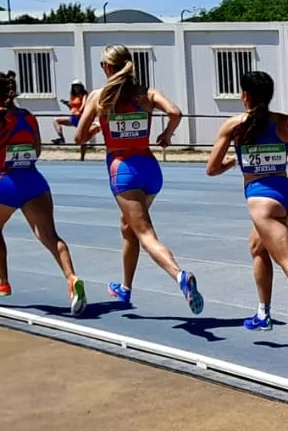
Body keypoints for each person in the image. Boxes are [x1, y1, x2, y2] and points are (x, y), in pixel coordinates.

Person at [75, 43, 202, 313]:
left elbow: (79, 137)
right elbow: (175, 112)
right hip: (149, 167)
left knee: (144, 233)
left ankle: (180, 276)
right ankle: (126, 288)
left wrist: (100, 126)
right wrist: (167, 134)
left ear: (107, 68)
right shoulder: (148, 94)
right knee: (128, 227)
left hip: (123, 169)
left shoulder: (99, 97)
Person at [205, 70, 288, 337]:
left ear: (244, 95)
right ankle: (263, 313)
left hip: (263, 201)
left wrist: (231, 162)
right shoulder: (286, 121)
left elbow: (211, 169)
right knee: (257, 247)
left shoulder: (234, 125)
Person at [0, 71, 87, 315]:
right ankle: (72, 278)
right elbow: (37, 148)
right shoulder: (27, 116)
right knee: (50, 236)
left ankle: (2, 281)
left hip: (4, 181)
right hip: (34, 180)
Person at [51, 82, 89, 156]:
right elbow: (72, 107)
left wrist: (80, 111)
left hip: (81, 118)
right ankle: (61, 138)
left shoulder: (84, 95)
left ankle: (82, 158)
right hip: (73, 117)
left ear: (81, 87)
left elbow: (84, 104)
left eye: (78, 86)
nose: (76, 88)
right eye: (75, 86)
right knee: (56, 120)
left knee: (82, 138)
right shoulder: (72, 96)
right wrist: (67, 104)